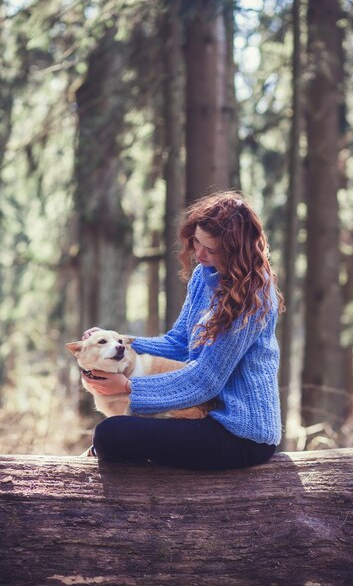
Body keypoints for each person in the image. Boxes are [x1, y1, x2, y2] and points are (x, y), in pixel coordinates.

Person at [81, 191, 285, 471]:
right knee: (115, 433)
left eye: (211, 250)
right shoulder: (204, 278)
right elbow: (178, 343)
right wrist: (118, 342)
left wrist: (128, 387)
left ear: (235, 252)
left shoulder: (254, 297)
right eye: (197, 242)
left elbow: (206, 380)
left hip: (241, 435)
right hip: (204, 417)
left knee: (110, 435)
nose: (199, 254)